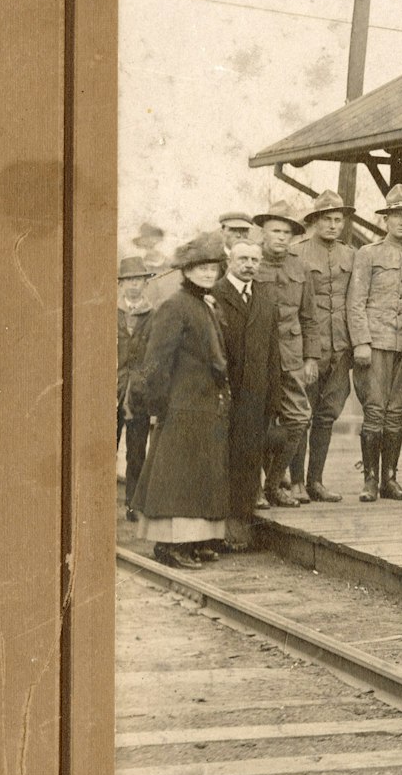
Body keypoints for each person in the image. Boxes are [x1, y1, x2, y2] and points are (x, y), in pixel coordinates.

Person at [127, 234, 232, 569]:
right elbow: (156, 361)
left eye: (212, 268)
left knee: (200, 475)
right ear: (185, 271)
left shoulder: (203, 304)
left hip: (204, 406)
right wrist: (157, 406)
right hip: (182, 406)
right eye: (199, 268)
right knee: (177, 477)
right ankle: (170, 545)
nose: (206, 273)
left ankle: (195, 540)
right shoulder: (175, 306)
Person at [346, 183, 402, 502]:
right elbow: (355, 300)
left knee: (396, 413)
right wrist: (361, 341)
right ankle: (369, 480)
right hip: (375, 344)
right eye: (396, 216)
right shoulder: (368, 254)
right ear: (386, 220)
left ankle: (389, 479)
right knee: (374, 411)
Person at [251, 194, 324, 509]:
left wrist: (311, 358)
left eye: (286, 233)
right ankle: (253, 486)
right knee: (253, 421)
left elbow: (309, 317)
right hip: (256, 357)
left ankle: (274, 483)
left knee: (298, 419)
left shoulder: (301, 268)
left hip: (291, 358)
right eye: (275, 231)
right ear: (263, 233)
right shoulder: (250, 264)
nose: (280, 238)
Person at [210, 235, 280, 548]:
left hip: (256, 396)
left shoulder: (265, 297)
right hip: (222, 396)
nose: (249, 265)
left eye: (254, 260)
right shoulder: (215, 295)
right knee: (220, 462)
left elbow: (273, 352)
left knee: (249, 462)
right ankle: (215, 531)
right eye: (243, 259)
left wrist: (273, 397)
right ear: (229, 261)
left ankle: (240, 528)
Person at [293, 189, 356, 503]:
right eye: (327, 219)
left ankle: (315, 481)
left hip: (341, 347)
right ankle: (294, 483)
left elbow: (355, 301)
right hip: (309, 350)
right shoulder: (298, 253)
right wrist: (305, 353)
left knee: (327, 415)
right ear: (314, 221)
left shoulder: (350, 255)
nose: (333, 225)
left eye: (338, 219)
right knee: (300, 414)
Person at [117, 255, 154, 520]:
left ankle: (133, 505)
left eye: (138, 279)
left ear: (145, 283)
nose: (133, 285)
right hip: (111, 390)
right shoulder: (109, 310)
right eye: (129, 279)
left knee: (137, 452)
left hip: (139, 394)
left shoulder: (153, 315)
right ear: (120, 284)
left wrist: (144, 382)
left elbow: (156, 356)